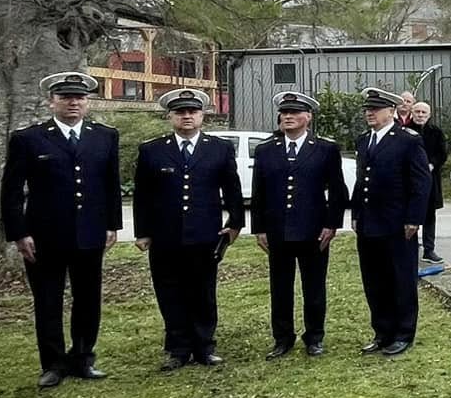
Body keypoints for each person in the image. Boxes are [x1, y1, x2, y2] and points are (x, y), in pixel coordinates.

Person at [1, 71, 122, 387]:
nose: (73, 103)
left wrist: (112, 225)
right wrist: (18, 233)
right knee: (48, 301)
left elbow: (111, 185)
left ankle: (83, 357)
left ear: (87, 102)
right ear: (51, 101)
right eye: (66, 97)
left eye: (79, 97)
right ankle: (53, 364)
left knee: (88, 298)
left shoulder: (104, 136)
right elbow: (11, 190)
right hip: (45, 235)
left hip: (90, 232)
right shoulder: (29, 138)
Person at [132, 88, 245, 370]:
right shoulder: (152, 150)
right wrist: (142, 232)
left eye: (192, 112)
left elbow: (232, 189)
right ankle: (178, 349)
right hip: (165, 236)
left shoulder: (219, 148)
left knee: (203, 291)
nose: (186, 117)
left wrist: (235, 223)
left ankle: (204, 346)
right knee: (169, 292)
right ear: (170, 116)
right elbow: (143, 195)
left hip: (205, 234)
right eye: (180, 112)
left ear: (202, 116)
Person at [251, 90, 350, 359]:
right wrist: (259, 228)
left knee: (314, 287)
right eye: (284, 113)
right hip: (278, 231)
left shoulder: (325, 149)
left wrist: (331, 225)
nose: (288, 117)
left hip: (314, 231)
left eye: (294, 112)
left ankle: (314, 337)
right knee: (280, 288)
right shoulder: (266, 150)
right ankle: (282, 338)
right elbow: (259, 192)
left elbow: (337, 191)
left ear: (308, 117)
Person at [351, 88, 432, 355]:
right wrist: (356, 214)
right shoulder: (364, 141)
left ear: (391, 111)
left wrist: (414, 218)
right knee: (374, 281)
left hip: (397, 223)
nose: (370, 113)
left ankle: (403, 333)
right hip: (369, 222)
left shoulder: (407, 140)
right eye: (367, 109)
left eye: (375, 109)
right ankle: (382, 332)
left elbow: (421, 182)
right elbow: (361, 180)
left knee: (401, 279)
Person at [405, 100, 449, 264]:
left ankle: (429, 250)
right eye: (417, 112)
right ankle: (410, 249)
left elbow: (442, 154)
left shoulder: (436, 132)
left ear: (429, 115)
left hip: (431, 180)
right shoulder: (404, 131)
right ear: (412, 113)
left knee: (430, 216)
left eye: (424, 112)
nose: (420, 115)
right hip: (409, 181)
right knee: (410, 215)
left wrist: (431, 164)